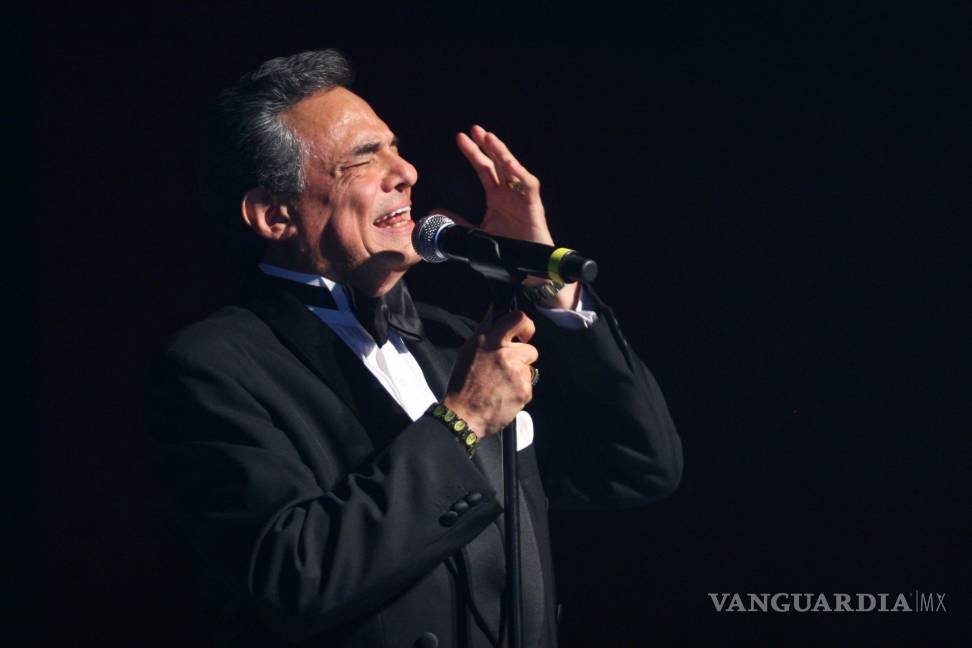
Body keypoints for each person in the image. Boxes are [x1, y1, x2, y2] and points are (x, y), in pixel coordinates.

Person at [147, 49, 682, 648]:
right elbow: (290, 580)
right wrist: (463, 419)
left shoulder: (456, 341)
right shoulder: (216, 365)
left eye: (395, 149)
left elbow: (636, 465)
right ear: (276, 216)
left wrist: (546, 283)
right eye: (363, 159)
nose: (406, 172)